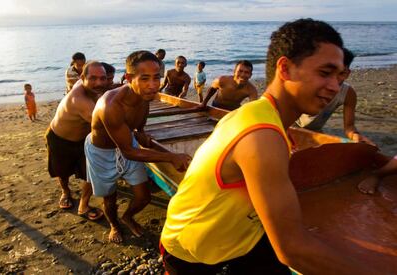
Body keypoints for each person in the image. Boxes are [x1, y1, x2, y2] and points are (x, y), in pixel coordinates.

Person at [160, 18, 377, 274]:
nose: (334, 87)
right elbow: (292, 249)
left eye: (340, 76)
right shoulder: (261, 135)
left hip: (242, 235)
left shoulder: (263, 114)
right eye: (324, 73)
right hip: (193, 249)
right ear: (284, 69)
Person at [85, 50, 192, 244]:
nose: (152, 86)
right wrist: (170, 157)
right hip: (102, 153)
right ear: (128, 78)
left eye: (156, 78)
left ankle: (128, 217)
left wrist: (163, 149)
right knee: (110, 198)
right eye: (144, 79)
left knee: (143, 197)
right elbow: (129, 152)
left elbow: (138, 131)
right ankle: (114, 225)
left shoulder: (145, 98)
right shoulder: (111, 106)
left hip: (128, 143)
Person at [46, 61, 106, 221]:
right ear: (82, 77)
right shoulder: (80, 100)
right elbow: (106, 126)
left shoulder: (90, 88)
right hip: (60, 139)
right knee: (62, 171)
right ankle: (66, 192)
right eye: (93, 78)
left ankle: (83, 205)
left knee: (90, 173)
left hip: (83, 140)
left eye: (103, 78)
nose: (99, 83)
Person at [296, 48, 374, 145]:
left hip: (315, 132)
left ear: (347, 74)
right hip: (291, 128)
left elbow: (349, 127)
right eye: (327, 72)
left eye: (341, 73)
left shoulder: (348, 93)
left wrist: (355, 135)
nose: (334, 80)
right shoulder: (308, 85)